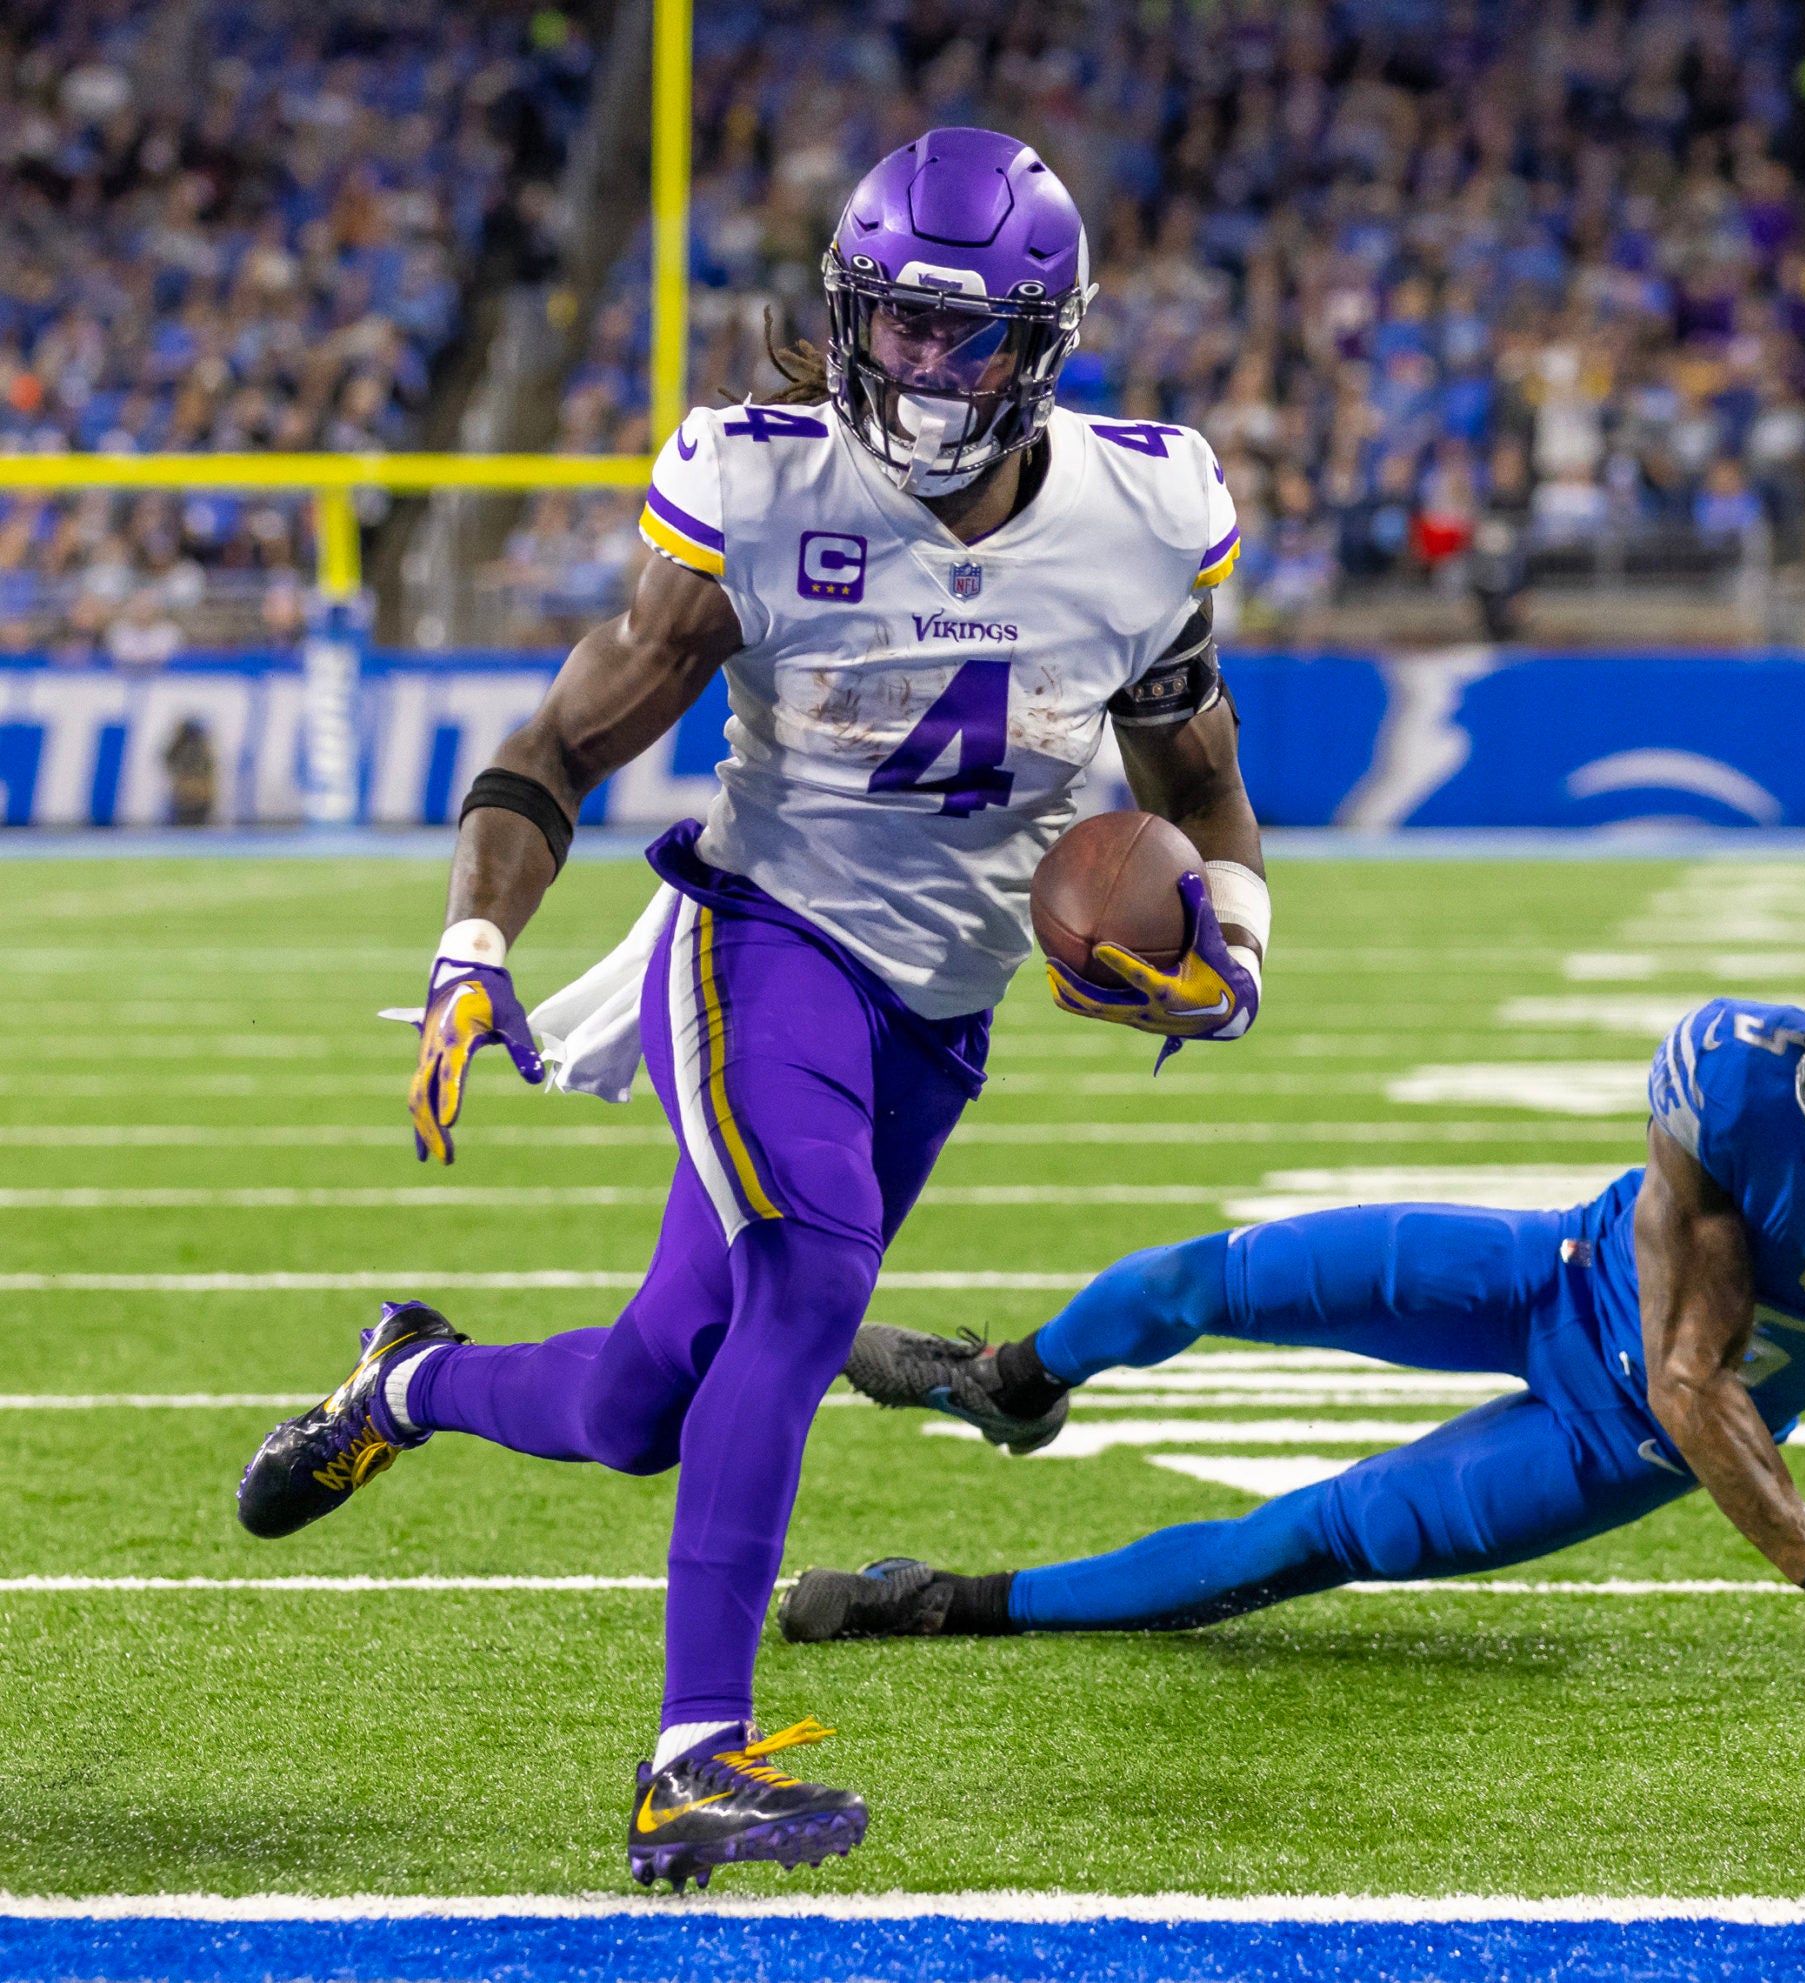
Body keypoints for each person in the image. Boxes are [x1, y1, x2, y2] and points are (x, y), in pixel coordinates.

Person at [232, 129, 1272, 1888]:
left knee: (652, 1400)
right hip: (765, 932)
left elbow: (1203, 776)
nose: (920, 369)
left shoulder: (1146, 515)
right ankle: (691, 1764)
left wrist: (1233, 951)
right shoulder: (763, 485)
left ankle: (405, 1384)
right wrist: (472, 953)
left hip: (940, 1005)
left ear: (1048, 343)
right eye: (894, 326)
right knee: (809, 1264)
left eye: (964, 336)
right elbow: (560, 746)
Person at [795, 889, 1805, 1692]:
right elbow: (1698, 1356)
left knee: (1293, 1543)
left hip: (1616, 1443)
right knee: (1221, 1274)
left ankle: (938, 1599)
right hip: (1557, 1276)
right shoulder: (1728, 1071)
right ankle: (1015, 1382)